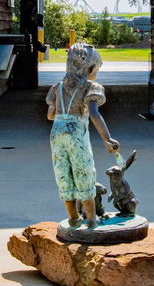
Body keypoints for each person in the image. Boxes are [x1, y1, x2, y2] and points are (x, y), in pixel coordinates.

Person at [46, 42, 119, 227]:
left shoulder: (57, 87)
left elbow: (50, 115)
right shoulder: (91, 87)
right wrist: (107, 139)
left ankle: (72, 218)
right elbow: (94, 114)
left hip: (56, 133)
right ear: (91, 67)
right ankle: (91, 220)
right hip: (76, 134)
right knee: (84, 172)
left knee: (63, 173)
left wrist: (62, 114)